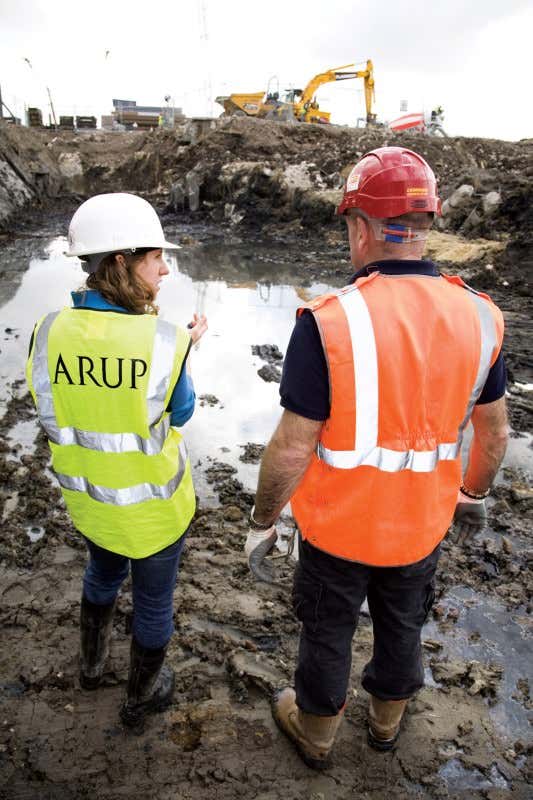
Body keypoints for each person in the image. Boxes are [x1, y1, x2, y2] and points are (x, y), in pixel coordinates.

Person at [244, 147, 508, 769]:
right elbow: (494, 435)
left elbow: (290, 447)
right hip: (420, 529)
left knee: (328, 633)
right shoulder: (480, 314)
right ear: (422, 226)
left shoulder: (330, 321)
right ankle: (386, 726)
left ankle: (316, 736)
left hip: (338, 531)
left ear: (361, 226)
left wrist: (262, 521)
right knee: (402, 629)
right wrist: (469, 495)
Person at [26, 192, 207, 733]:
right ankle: (139, 701)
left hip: (90, 503)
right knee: (153, 604)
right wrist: (186, 351)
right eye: (157, 259)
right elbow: (180, 413)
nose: (166, 269)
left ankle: (90, 668)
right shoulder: (163, 341)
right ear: (122, 263)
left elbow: (53, 409)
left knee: (101, 575)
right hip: (154, 514)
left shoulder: (47, 330)